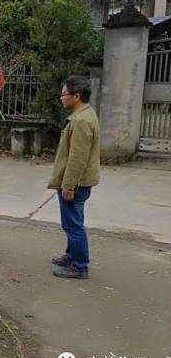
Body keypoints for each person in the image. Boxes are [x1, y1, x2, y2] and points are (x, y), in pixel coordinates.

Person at [48, 75, 100, 280]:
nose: (61, 98)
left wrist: (68, 186)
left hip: (75, 183)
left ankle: (80, 266)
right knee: (71, 222)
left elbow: (78, 158)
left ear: (76, 96)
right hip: (78, 181)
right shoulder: (85, 114)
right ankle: (71, 255)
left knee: (73, 224)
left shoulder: (80, 121)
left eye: (64, 94)